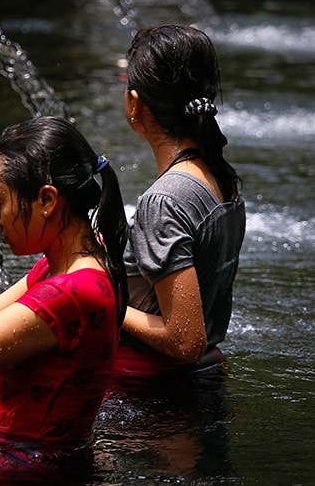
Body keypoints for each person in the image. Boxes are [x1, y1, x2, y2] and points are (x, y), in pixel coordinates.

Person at [0, 116, 128, 474]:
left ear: (47, 199)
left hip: (21, 472)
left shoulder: (72, 293)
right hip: (15, 460)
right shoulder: (64, 267)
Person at [115, 23, 246, 380]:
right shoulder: (221, 176)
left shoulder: (165, 200)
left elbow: (185, 339)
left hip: (154, 396)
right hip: (199, 381)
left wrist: (103, 301)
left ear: (135, 104)